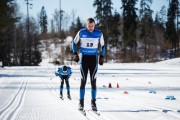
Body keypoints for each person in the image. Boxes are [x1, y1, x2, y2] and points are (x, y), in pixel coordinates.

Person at [72, 18, 105, 111]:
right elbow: (74, 43)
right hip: (84, 59)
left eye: (92, 26)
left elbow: (103, 45)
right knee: (83, 81)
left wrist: (101, 56)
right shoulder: (81, 32)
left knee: (93, 82)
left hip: (94, 59)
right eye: (89, 26)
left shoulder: (99, 33)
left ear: (94, 25)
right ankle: (81, 102)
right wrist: (75, 54)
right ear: (87, 25)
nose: (91, 28)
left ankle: (93, 103)